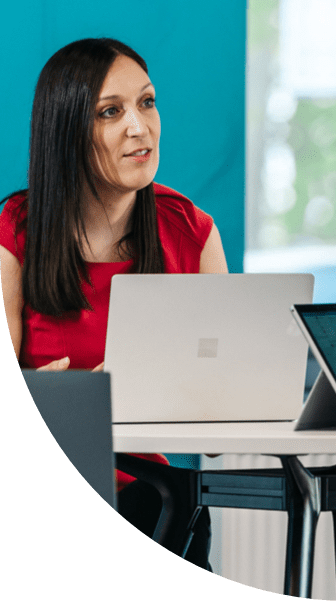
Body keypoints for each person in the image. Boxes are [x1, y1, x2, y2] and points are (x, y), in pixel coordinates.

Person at [0, 38, 228, 570]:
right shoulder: (15, 234)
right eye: (111, 112)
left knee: (175, 503)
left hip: (146, 490)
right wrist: (60, 398)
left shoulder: (190, 230)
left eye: (147, 103)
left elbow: (221, 413)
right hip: (39, 483)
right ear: (67, 131)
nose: (139, 127)